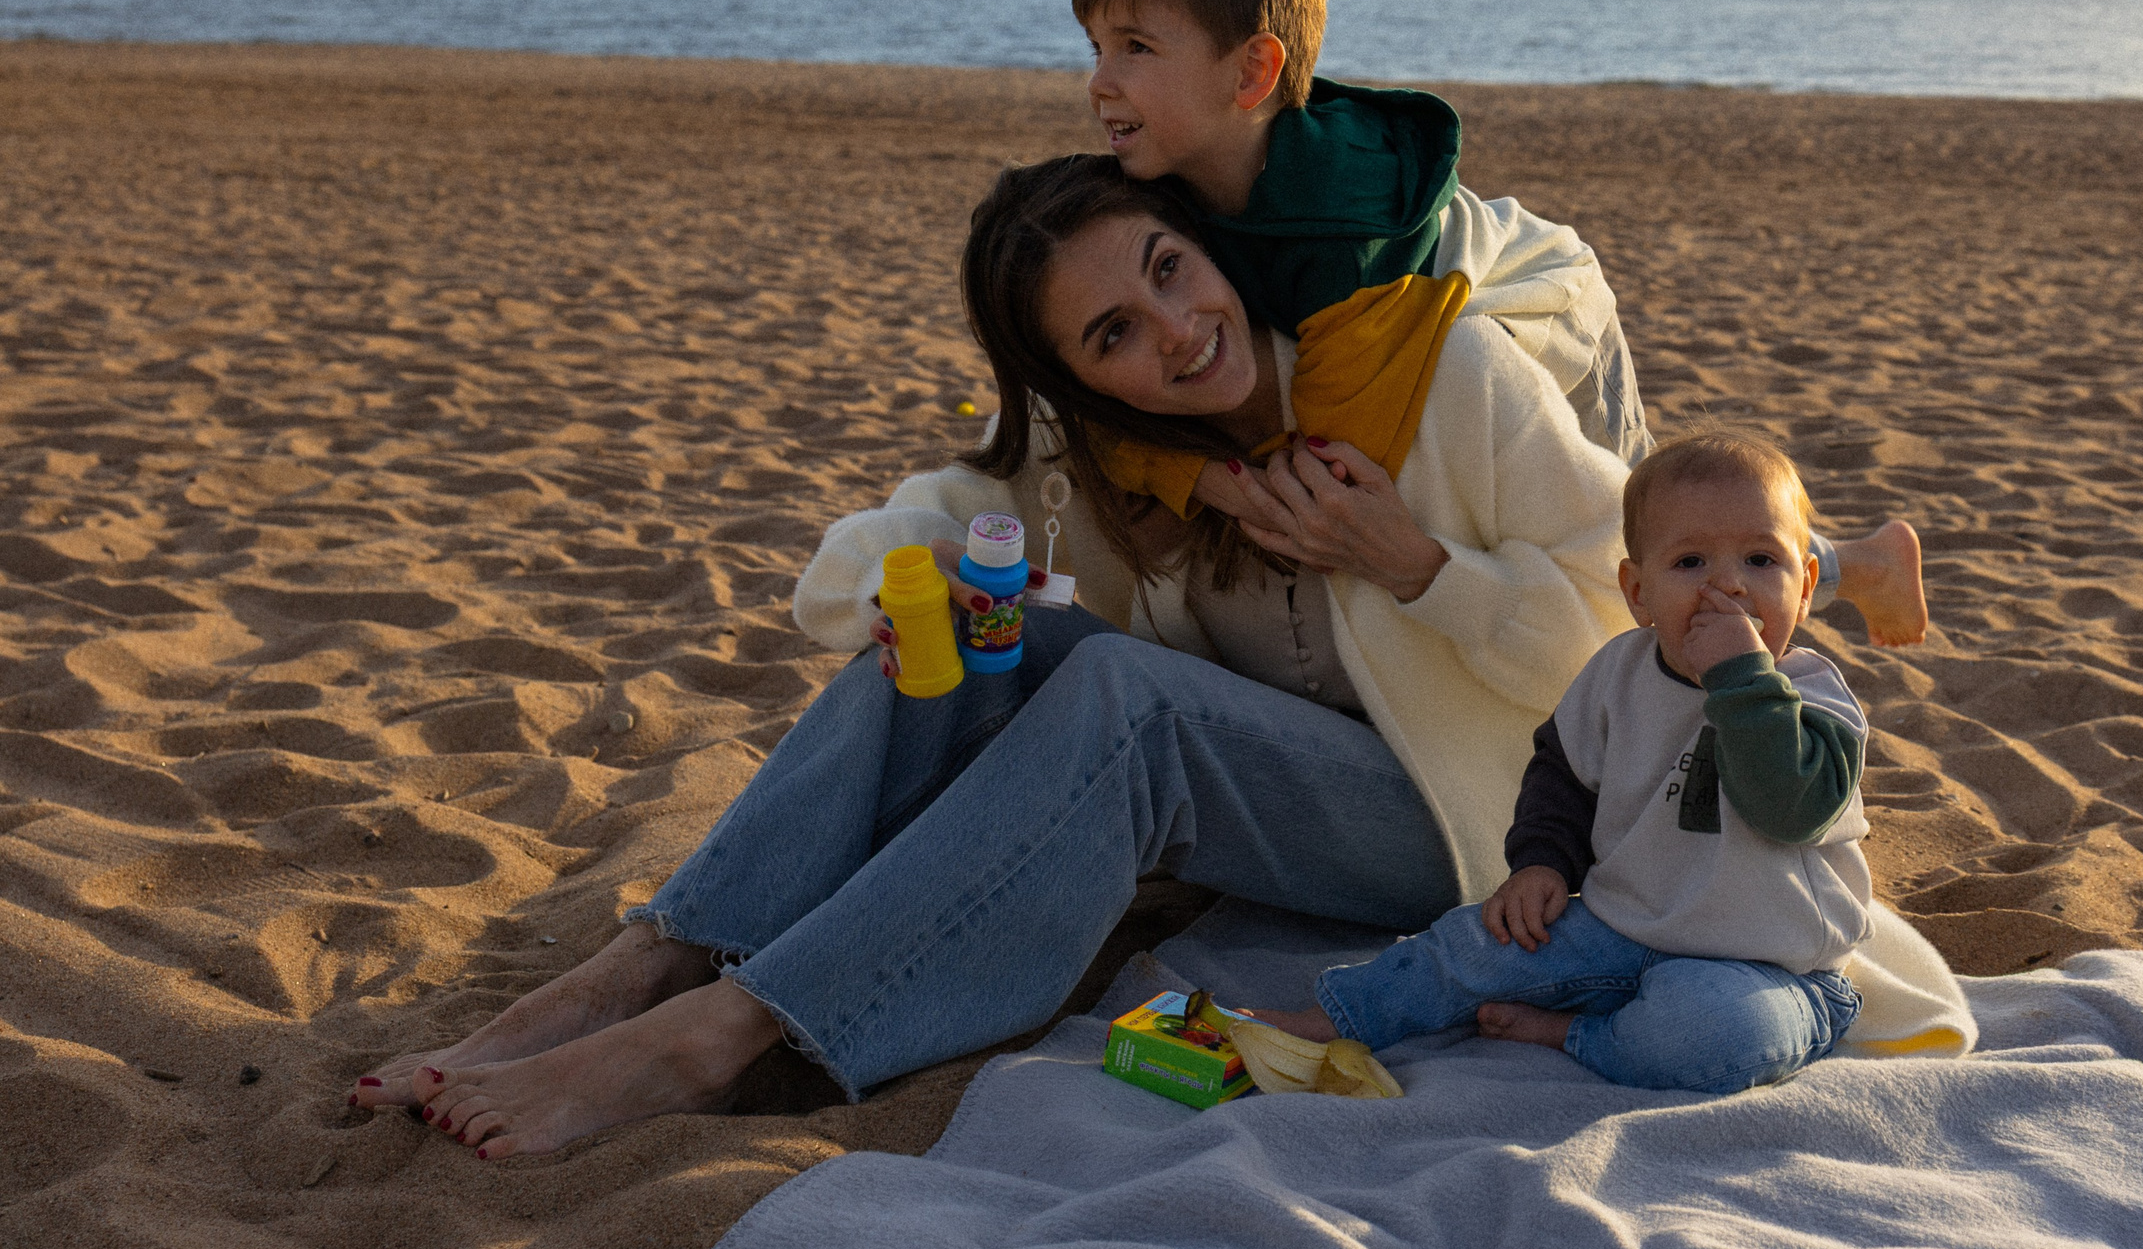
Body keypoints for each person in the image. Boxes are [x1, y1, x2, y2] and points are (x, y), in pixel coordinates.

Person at [352, 154, 1636, 1156]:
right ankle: (650, 962)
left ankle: (721, 1031)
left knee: (1130, 696)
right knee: (973, 631)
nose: (1177, 331)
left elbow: (1623, 635)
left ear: (1209, 247)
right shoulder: (1120, 464)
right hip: (1287, 812)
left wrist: (1414, 562)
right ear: (1084, 380)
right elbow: (936, 507)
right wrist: (879, 595)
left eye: (1171, 270)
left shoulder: (1431, 366)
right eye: (1115, 333)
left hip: (1485, 831)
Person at [1067, 0, 1928, 645]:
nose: (1100, 80)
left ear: (1252, 74)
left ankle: (1850, 571)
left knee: (1652, 536)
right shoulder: (1185, 175)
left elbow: (1319, 471)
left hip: (1549, 309)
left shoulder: (1341, 234)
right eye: (1096, 47)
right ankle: (1859, 561)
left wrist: (1186, 474)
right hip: (1466, 307)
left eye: (1136, 48)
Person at [1249, 429, 1872, 1095]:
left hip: (1768, 967)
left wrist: (1743, 678)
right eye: (1690, 562)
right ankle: (1332, 1015)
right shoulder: (1618, 674)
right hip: (1620, 929)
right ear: (1638, 591)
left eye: (1759, 559)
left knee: (1714, 1033)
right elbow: (1564, 777)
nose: (1729, 585)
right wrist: (1544, 862)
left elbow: (1792, 805)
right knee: (1473, 944)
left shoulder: (1814, 696)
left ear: (1804, 585)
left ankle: (1572, 1033)